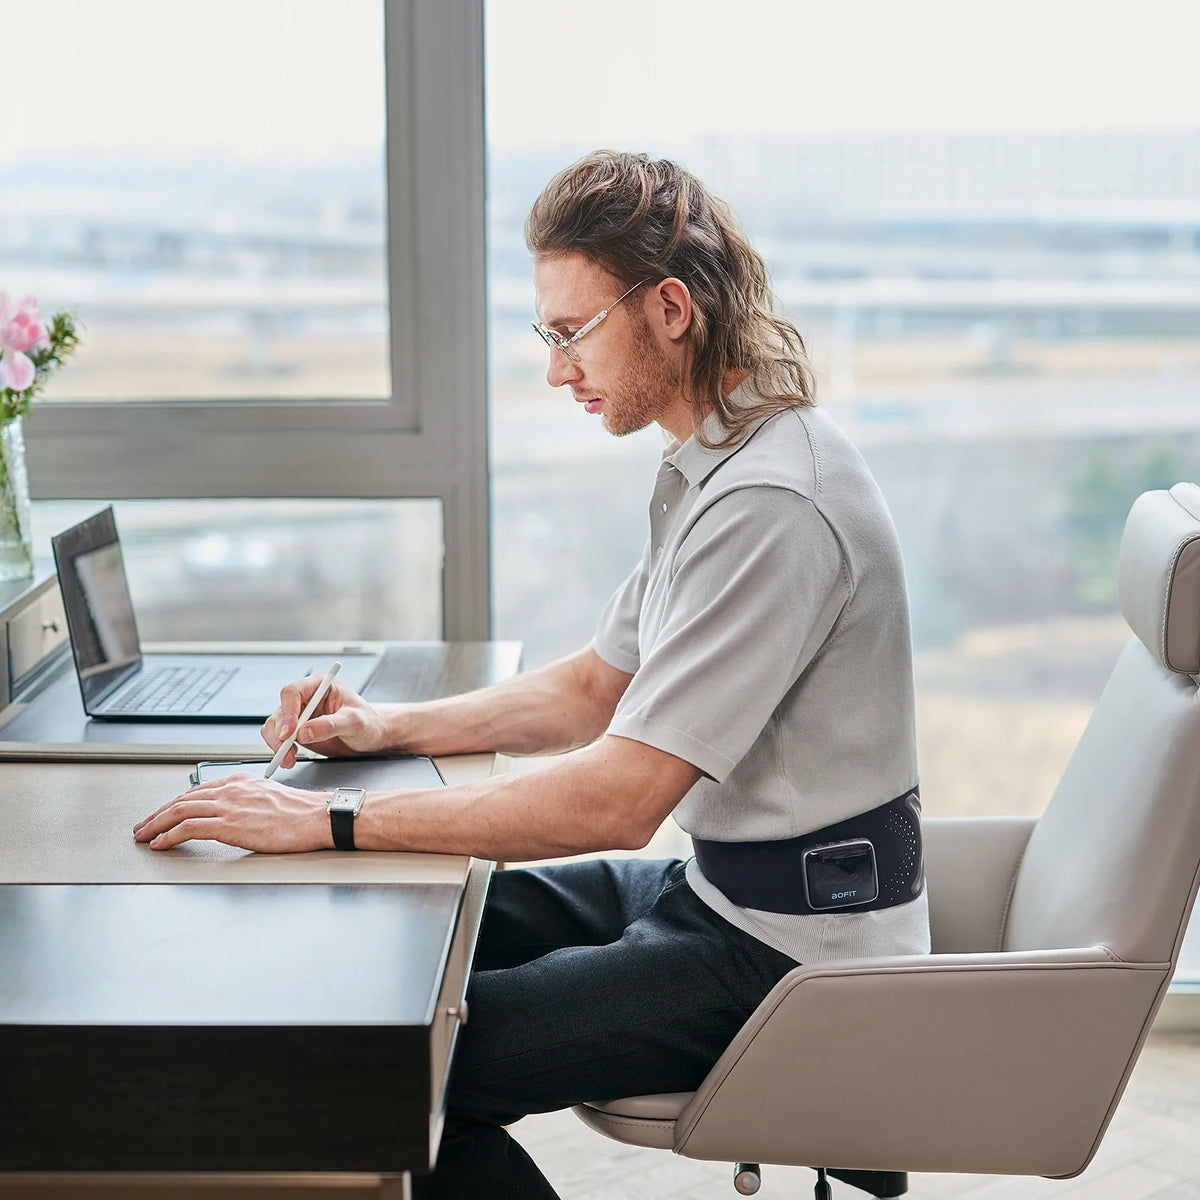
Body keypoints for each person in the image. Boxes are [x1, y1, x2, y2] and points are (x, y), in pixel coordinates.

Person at [134, 150, 930, 1199]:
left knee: (392, 1069)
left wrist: (328, 820)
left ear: (670, 309)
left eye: (570, 333)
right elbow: (596, 688)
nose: (558, 370)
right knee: (410, 941)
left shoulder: (771, 505)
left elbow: (618, 802)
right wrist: (389, 729)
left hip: (786, 956)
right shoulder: (718, 461)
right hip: (720, 893)